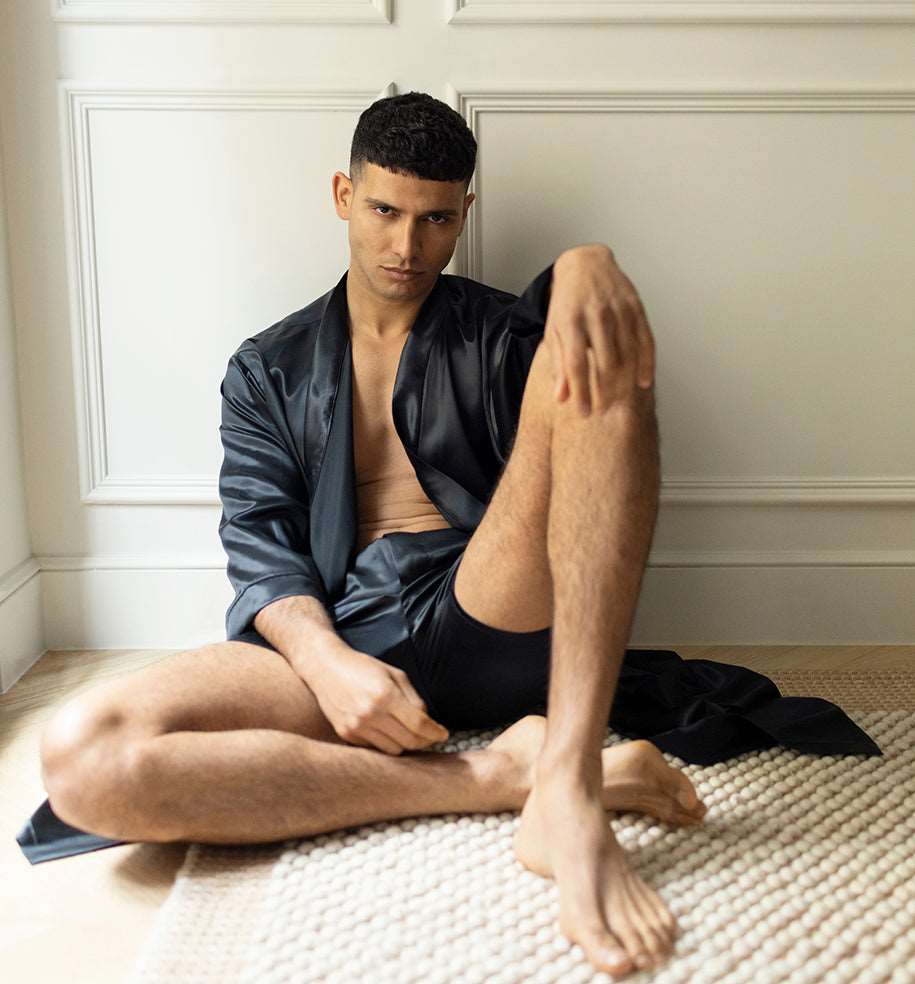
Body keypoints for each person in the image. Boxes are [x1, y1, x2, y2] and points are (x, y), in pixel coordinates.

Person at [27, 91, 880, 980]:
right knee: (83, 756)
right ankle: (513, 778)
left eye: (435, 220)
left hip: (488, 600)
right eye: (385, 211)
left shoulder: (498, 330)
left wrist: (586, 264)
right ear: (341, 195)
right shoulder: (267, 367)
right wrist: (324, 662)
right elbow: (260, 541)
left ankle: (569, 788)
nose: (406, 247)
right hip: (346, 629)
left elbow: (577, 414)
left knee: (595, 352)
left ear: (463, 213)